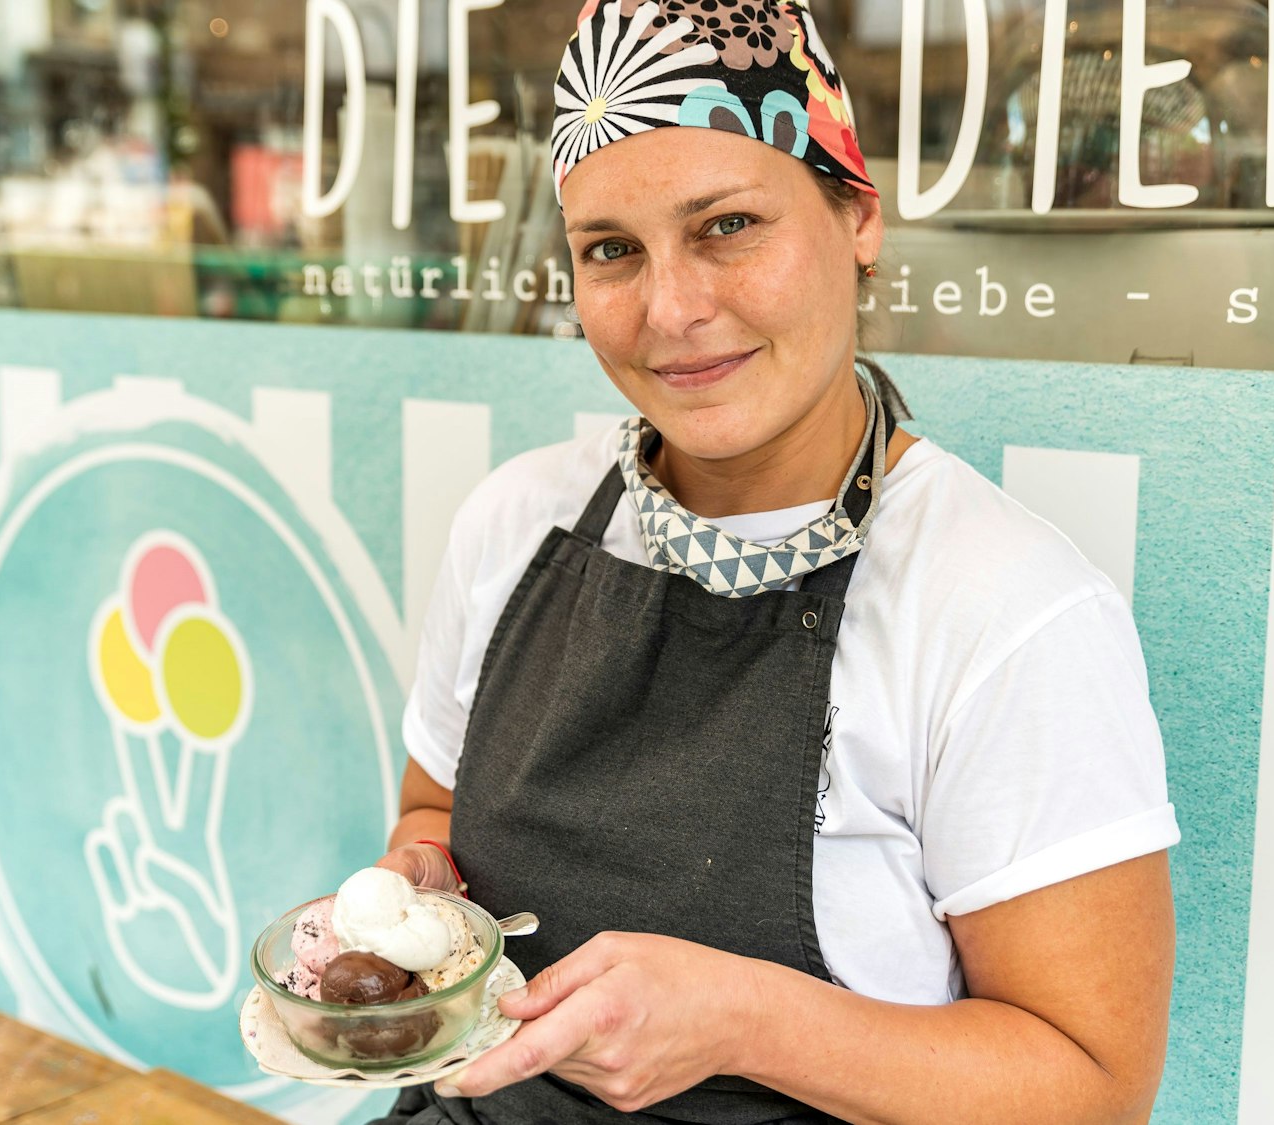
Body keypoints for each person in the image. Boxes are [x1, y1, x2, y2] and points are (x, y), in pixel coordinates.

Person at [371, 0, 1180, 1119]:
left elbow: (1092, 1089)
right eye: (611, 250)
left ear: (858, 219)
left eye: (728, 225)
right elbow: (431, 814)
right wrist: (416, 891)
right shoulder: (514, 524)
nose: (671, 309)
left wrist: (747, 1023)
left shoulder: (1003, 609)